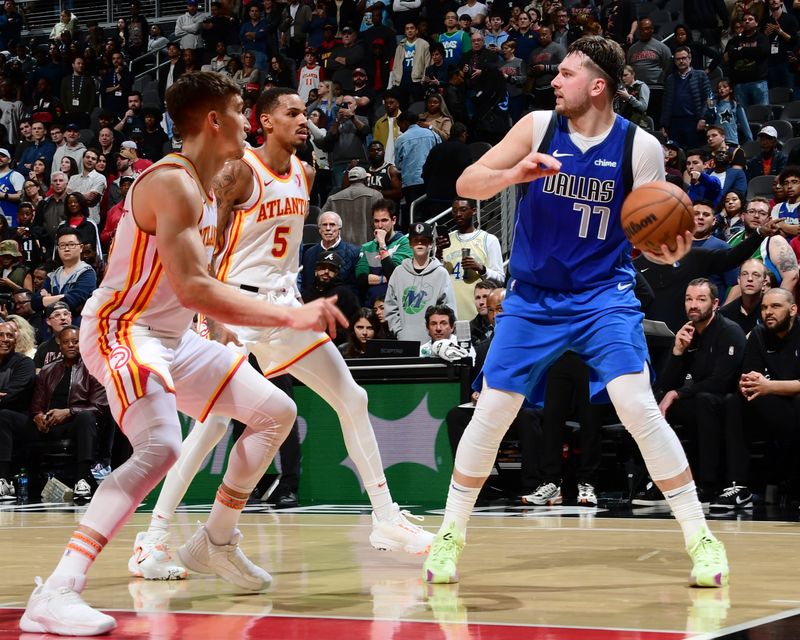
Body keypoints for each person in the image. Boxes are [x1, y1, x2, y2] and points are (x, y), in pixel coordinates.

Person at [20, 72, 347, 636]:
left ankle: (215, 540)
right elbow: (195, 284)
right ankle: (57, 591)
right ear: (215, 121)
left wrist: (218, 325)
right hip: (124, 329)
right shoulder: (170, 182)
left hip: (176, 336)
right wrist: (289, 314)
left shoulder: (210, 183)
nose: (249, 120)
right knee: (161, 446)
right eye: (241, 110)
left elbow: (202, 283)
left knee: (276, 413)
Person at [422, 36, 729, 589]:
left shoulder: (640, 146)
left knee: (637, 406)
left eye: (565, 74)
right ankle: (450, 537)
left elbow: (654, 226)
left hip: (602, 295)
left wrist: (666, 243)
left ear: (597, 85)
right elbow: (466, 183)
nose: (554, 81)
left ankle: (700, 538)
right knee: (492, 411)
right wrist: (516, 175)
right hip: (533, 295)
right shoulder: (538, 126)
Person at [127, 87, 433, 584]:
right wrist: (213, 314)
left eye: (304, 112)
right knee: (211, 430)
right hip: (235, 305)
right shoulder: (239, 171)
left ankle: (386, 518)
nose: (302, 119)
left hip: (283, 306)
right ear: (264, 121)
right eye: (291, 112)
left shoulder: (307, 172)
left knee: (351, 397)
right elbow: (209, 241)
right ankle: (152, 540)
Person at [657, 279, 747, 505]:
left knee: (705, 401)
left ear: (715, 303)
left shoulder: (730, 331)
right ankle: (662, 480)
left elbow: (721, 382)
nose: (693, 305)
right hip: (700, 399)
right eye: (689, 299)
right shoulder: (688, 333)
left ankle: (708, 484)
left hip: (731, 401)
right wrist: (678, 352)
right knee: (655, 409)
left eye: (700, 299)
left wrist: (678, 394)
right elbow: (666, 384)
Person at [734, 288, 800, 505]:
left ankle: (778, 481)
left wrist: (769, 386)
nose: (768, 312)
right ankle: (738, 486)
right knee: (733, 402)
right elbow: (750, 378)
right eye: (764, 307)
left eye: (775, 306)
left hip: (789, 400)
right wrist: (748, 386)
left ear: (793, 310)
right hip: (771, 403)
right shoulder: (759, 335)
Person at [29, 325, 109, 501]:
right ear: (60, 346)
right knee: (10, 418)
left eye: (76, 341)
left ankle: (82, 480)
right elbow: (36, 405)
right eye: (66, 342)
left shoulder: (94, 369)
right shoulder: (48, 370)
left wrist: (69, 412)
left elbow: (100, 406)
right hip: (51, 424)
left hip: (78, 424)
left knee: (86, 416)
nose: (71, 345)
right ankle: (10, 481)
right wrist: (38, 417)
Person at [384, 221, 455, 342]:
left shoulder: (441, 273)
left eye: (424, 240)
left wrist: (440, 337)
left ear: (431, 244)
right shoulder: (399, 272)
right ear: (410, 244)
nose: (420, 243)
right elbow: (390, 306)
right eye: (415, 240)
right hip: (404, 340)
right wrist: (399, 332)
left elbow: (449, 309)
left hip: (434, 342)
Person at [435, 198, 504, 320]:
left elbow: (500, 279)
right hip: (449, 317)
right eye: (455, 211)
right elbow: (436, 277)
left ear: (473, 211)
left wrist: (481, 269)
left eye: (463, 210)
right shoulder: (447, 240)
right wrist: (438, 252)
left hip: (478, 316)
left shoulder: (489, 240)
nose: (458, 214)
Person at [356, 199, 412, 306]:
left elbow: (395, 275)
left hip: (396, 304)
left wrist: (382, 243)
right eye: (376, 221)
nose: (380, 226)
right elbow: (361, 279)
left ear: (394, 220)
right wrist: (385, 278)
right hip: (371, 305)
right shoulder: (366, 247)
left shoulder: (404, 243)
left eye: (384, 220)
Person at [299, 211, 360, 297]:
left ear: (339, 229)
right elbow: (307, 284)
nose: (328, 228)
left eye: (332, 224)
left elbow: (355, 286)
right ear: (319, 229)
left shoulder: (354, 252)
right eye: (324, 225)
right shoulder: (309, 253)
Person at [322, 166, 383, 245]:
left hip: (341, 247)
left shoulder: (333, 198)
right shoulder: (375, 195)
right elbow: (382, 222)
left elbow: (321, 221)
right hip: (368, 247)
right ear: (365, 179)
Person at [719, 258, 768, 334]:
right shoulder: (725, 315)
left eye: (755, 275)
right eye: (744, 274)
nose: (750, 279)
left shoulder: (772, 311)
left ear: (764, 282)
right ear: (739, 280)